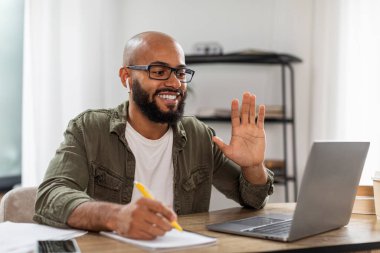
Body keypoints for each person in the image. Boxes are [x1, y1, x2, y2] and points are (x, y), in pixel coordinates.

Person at [33, 31, 274, 240]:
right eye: (158, 71)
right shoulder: (89, 129)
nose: (174, 82)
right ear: (126, 77)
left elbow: (253, 200)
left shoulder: (199, 136)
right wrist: (116, 217)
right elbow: (50, 196)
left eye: (180, 73)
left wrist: (253, 166)